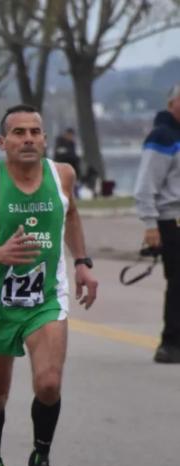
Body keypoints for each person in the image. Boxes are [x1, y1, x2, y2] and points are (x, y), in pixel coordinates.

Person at [0, 104, 98, 466]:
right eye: (18, 132)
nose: (28, 139)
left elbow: (71, 214)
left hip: (46, 301)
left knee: (49, 384)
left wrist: (82, 262)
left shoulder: (63, 176)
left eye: (35, 132)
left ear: (45, 138)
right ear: (2, 142)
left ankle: (40, 461)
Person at [133, 84, 180, 364]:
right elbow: (145, 186)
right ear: (172, 103)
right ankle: (170, 343)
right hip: (171, 221)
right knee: (178, 284)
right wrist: (150, 224)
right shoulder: (162, 137)